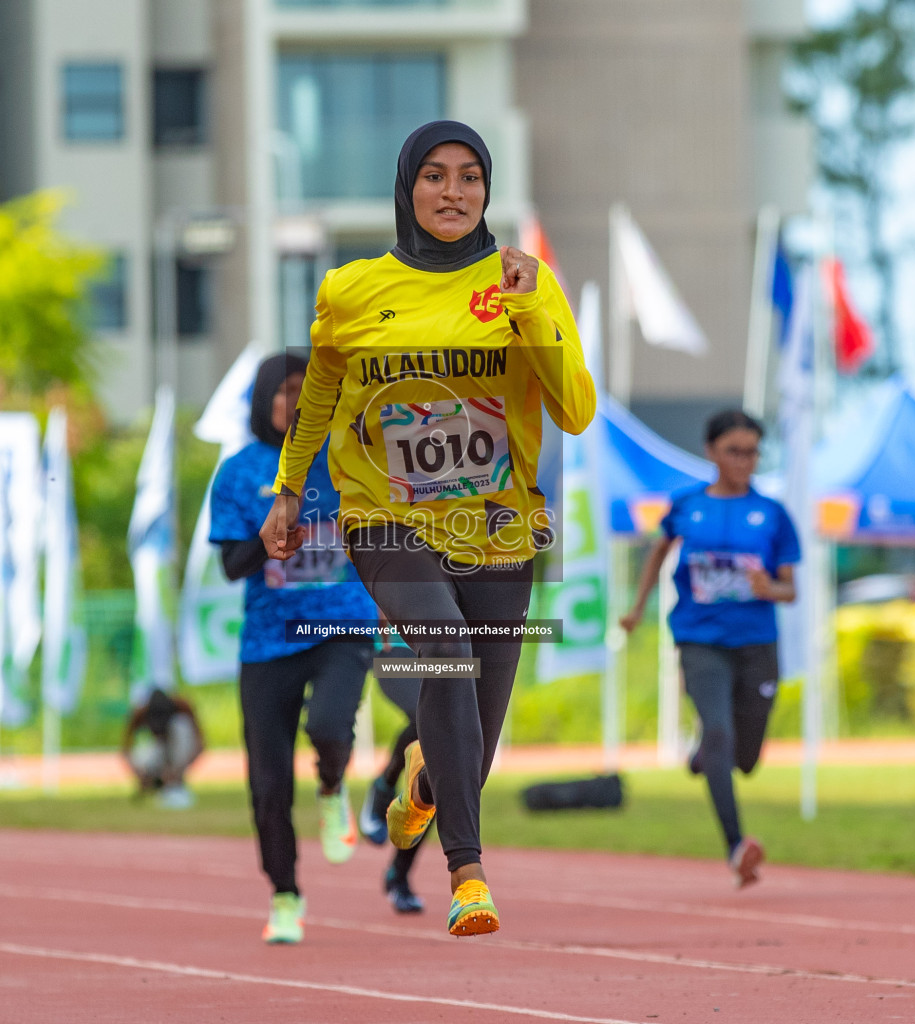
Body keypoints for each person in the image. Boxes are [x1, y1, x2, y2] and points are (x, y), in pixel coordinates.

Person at [261, 120, 595, 936]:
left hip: (498, 525)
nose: (454, 192)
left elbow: (575, 411)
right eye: (436, 177)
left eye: (471, 177)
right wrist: (285, 493)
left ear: (487, 190)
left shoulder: (525, 280)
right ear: (407, 187)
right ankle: (468, 875)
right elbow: (318, 404)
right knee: (442, 653)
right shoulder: (351, 289)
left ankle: (419, 787)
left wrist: (529, 315)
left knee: (473, 741)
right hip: (383, 516)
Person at [209, 352, 378, 945]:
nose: (298, 402)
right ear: (264, 400)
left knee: (331, 723)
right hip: (268, 638)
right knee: (268, 784)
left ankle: (332, 786)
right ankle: (285, 894)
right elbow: (232, 568)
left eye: (310, 391)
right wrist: (267, 539)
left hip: (343, 624)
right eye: (286, 392)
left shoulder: (351, 459)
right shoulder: (237, 473)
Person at [621, 409, 800, 889]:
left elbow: (791, 590)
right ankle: (737, 846)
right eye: (734, 451)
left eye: (752, 452)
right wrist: (638, 607)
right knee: (718, 731)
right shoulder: (686, 506)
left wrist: (768, 588)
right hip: (700, 640)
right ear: (712, 451)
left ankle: (705, 756)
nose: (744, 461)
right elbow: (659, 550)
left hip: (756, 642)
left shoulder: (774, 514)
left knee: (744, 758)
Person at [358, 635, 429, 915]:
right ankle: (385, 782)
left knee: (438, 760)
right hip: (393, 643)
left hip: (445, 645)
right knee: (425, 714)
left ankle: (399, 874)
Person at [121, 687, 204, 808]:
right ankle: (157, 782)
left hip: (179, 748)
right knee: (144, 756)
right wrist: (140, 774)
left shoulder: (182, 707)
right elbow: (125, 750)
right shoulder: (140, 713)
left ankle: (175, 784)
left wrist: (178, 771)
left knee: (181, 726)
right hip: (157, 748)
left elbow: (201, 746)